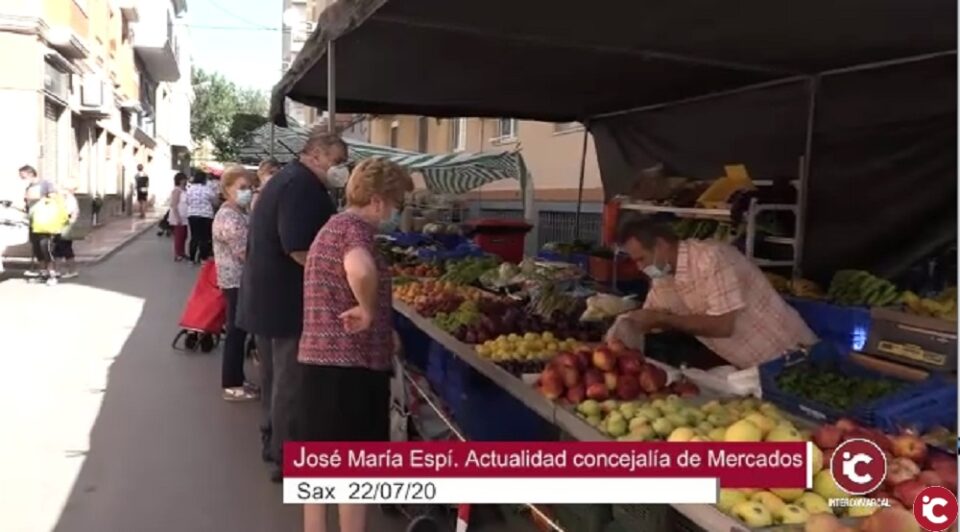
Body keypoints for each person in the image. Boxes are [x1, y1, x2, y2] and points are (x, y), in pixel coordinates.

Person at [298, 158, 413, 532]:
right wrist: (367, 311)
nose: (396, 213)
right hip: (351, 369)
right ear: (378, 201)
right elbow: (360, 269)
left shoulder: (331, 226)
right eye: (397, 203)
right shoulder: (355, 231)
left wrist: (381, 322)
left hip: (317, 362)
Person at [236, 132, 348, 482]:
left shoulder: (287, 180)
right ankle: (289, 457)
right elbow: (299, 248)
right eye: (337, 161)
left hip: (266, 298)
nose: (340, 169)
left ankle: (273, 443)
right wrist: (339, 279)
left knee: (274, 378)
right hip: (286, 302)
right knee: (290, 382)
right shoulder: (302, 186)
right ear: (315, 155)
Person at [608, 218, 816, 369]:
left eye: (641, 259)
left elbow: (722, 325)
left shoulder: (711, 258)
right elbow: (650, 316)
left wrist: (663, 319)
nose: (639, 267)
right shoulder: (663, 277)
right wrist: (623, 329)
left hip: (792, 356)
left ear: (661, 245)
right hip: (752, 367)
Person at [212, 165, 259, 402]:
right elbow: (245, 252)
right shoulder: (230, 217)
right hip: (236, 281)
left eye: (250, 187)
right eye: (242, 188)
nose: (247, 191)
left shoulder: (240, 212)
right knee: (236, 333)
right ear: (227, 189)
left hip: (240, 280)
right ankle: (232, 384)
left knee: (238, 332)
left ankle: (237, 379)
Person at [20, 165, 55, 278]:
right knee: (36, 248)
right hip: (33, 221)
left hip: (44, 220)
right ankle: (43, 272)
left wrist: (40, 199)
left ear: (30, 174)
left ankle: (52, 273)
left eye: (23, 176)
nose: (22, 179)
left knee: (45, 247)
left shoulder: (45, 184)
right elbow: (27, 206)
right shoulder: (28, 187)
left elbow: (54, 198)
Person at [185, 172, 217, 263]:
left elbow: (187, 201)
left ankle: (191, 258)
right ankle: (203, 258)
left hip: (193, 215)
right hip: (206, 215)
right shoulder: (208, 189)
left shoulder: (190, 189)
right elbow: (215, 202)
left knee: (194, 236)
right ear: (204, 179)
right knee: (204, 237)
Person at [54, 179, 80, 279]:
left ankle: (72, 270)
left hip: (66, 227)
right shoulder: (66, 198)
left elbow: (68, 213)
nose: (60, 190)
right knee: (58, 250)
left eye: (63, 188)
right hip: (62, 226)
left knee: (65, 249)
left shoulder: (70, 199)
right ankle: (57, 270)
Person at [169, 172, 189, 261]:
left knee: (184, 235)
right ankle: (178, 254)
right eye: (184, 179)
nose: (185, 181)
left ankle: (182, 252)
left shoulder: (185, 190)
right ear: (180, 180)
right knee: (179, 235)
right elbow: (174, 204)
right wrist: (178, 218)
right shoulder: (177, 190)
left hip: (185, 215)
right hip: (178, 215)